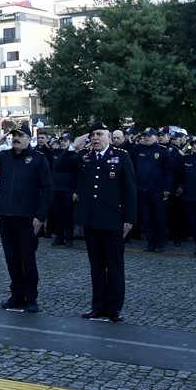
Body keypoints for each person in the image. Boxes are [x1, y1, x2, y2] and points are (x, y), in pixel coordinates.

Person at [60, 122, 137, 323]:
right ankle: (98, 306)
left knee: (114, 265)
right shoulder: (84, 156)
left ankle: (114, 308)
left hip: (113, 220)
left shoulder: (121, 157)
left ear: (108, 136)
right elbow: (61, 167)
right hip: (91, 220)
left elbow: (129, 189)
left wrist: (130, 219)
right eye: (93, 135)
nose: (95, 138)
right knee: (96, 266)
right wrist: (72, 147)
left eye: (99, 134)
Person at [0, 124, 52, 313]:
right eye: (13, 135)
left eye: (20, 135)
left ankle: (31, 297)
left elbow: (47, 188)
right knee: (11, 258)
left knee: (27, 259)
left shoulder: (37, 159)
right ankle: (16, 295)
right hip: (6, 215)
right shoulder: (5, 156)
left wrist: (41, 215)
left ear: (29, 139)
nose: (16, 138)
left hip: (27, 217)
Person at [131, 127, 172, 253]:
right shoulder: (138, 149)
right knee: (146, 218)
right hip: (142, 190)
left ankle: (160, 243)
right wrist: (134, 140)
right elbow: (125, 152)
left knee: (159, 218)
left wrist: (167, 188)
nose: (146, 137)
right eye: (144, 136)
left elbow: (169, 171)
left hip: (158, 190)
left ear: (155, 137)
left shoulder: (162, 151)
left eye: (149, 135)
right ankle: (150, 242)